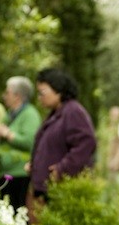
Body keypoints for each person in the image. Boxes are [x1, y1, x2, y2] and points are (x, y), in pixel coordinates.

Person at [28, 68, 96, 206]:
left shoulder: (73, 111)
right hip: (49, 188)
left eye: (42, 93)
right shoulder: (56, 112)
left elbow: (86, 142)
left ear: (58, 90)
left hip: (62, 190)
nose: (40, 98)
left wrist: (63, 168)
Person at [0, 76, 41, 209]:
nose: (4, 96)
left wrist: (7, 134)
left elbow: (31, 142)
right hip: (5, 174)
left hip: (19, 175)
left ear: (17, 96)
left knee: (17, 213)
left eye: (7, 92)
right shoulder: (11, 114)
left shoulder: (30, 114)